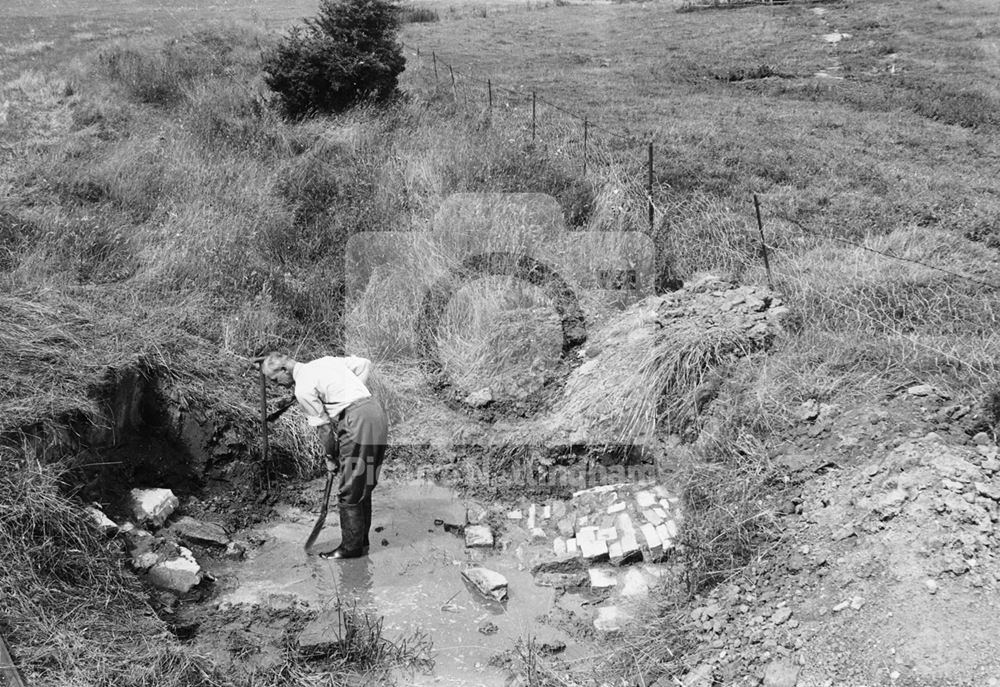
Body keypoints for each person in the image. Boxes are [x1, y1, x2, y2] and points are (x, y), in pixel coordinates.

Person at [259, 352, 387, 559]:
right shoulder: (325, 362)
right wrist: (352, 395)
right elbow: (364, 363)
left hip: (357, 421)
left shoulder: (302, 388)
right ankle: (361, 541)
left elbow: (325, 430)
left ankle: (351, 549)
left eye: (275, 380)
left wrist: (330, 458)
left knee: (350, 488)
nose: (277, 385)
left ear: (284, 369)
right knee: (365, 480)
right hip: (375, 412)